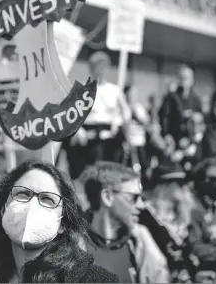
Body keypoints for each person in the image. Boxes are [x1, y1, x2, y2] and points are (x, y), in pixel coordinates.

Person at [0, 159, 119, 283]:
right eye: (23, 194)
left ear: (63, 223)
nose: (32, 206)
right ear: (3, 209)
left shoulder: (95, 280)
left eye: (47, 199)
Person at [81, 161, 170, 283]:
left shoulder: (137, 240)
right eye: (133, 197)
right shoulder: (74, 247)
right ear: (107, 196)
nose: (141, 205)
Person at [64, 51, 131, 179]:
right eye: (97, 67)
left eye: (104, 67)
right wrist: (79, 131)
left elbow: (126, 112)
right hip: (89, 136)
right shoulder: (81, 89)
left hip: (110, 135)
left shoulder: (114, 90)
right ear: (91, 69)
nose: (101, 71)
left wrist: (118, 123)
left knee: (109, 172)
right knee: (90, 173)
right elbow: (70, 113)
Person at [159, 64, 202, 145]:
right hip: (174, 138)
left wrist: (196, 117)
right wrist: (166, 135)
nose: (183, 81)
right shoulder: (171, 97)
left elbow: (201, 121)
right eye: (181, 78)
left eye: (186, 78)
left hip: (191, 140)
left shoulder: (196, 100)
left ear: (192, 80)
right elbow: (164, 117)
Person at [123, 85, 150, 174]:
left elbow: (146, 122)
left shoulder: (139, 108)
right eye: (131, 94)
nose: (132, 96)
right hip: (126, 141)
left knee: (142, 163)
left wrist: (136, 115)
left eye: (134, 94)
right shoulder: (123, 108)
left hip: (139, 140)